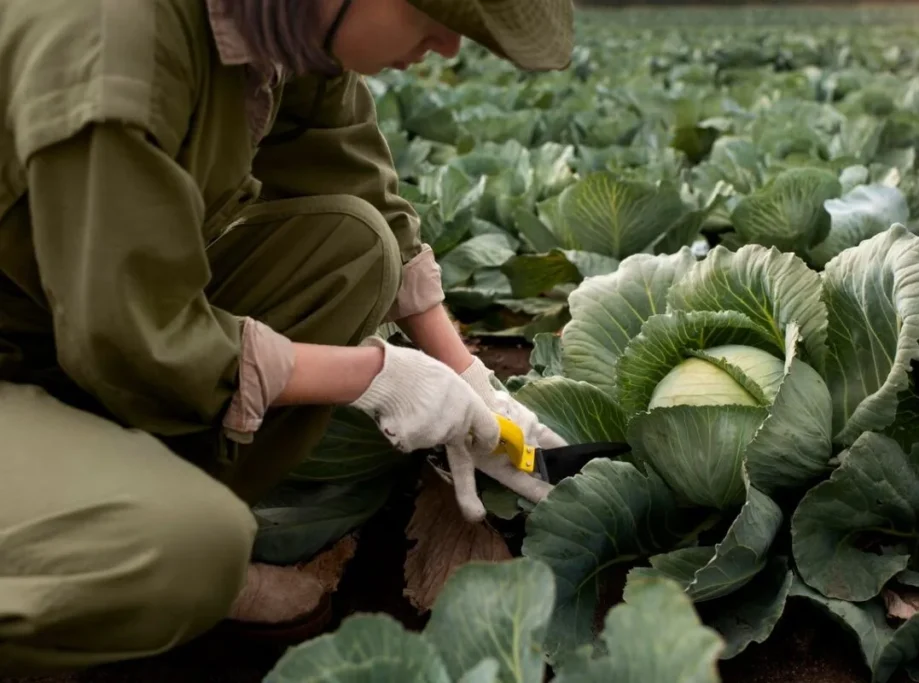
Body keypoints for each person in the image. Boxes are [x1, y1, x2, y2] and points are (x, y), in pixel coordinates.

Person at [0, 0, 574, 675]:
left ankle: (121, 518)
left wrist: (472, 380)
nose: (447, 46)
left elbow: (354, 176)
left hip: (58, 325)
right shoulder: (113, 42)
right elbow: (134, 340)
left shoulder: (283, 23)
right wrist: (374, 375)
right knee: (185, 549)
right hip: (64, 346)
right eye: (430, 9)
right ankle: (113, 551)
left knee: (350, 248)